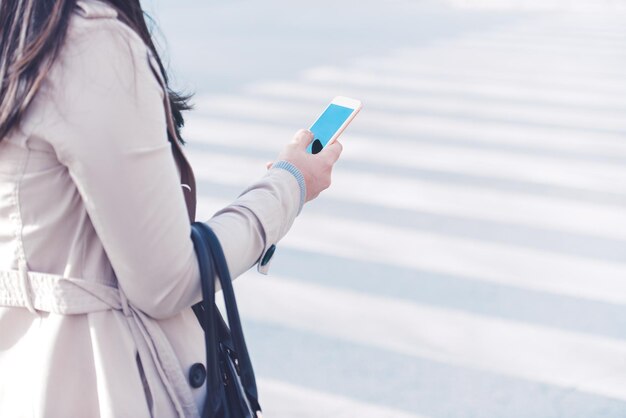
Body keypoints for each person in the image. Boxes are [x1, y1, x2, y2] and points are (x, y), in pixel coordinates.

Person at [0, 0, 343, 416]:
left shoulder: (18, 33)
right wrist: (290, 185)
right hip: (101, 386)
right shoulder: (89, 46)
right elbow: (166, 281)